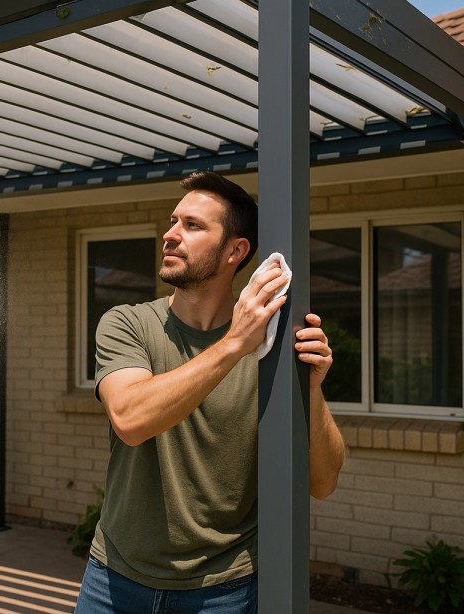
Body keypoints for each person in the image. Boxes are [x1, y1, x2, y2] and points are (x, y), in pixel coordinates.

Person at [74, 171, 345, 614]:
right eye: (173, 221)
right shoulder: (128, 323)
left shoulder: (274, 352)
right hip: (114, 581)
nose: (170, 234)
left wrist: (310, 391)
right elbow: (130, 419)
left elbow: (323, 482)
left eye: (192, 225)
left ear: (235, 251)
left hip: (225, 591)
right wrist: (236, 343)